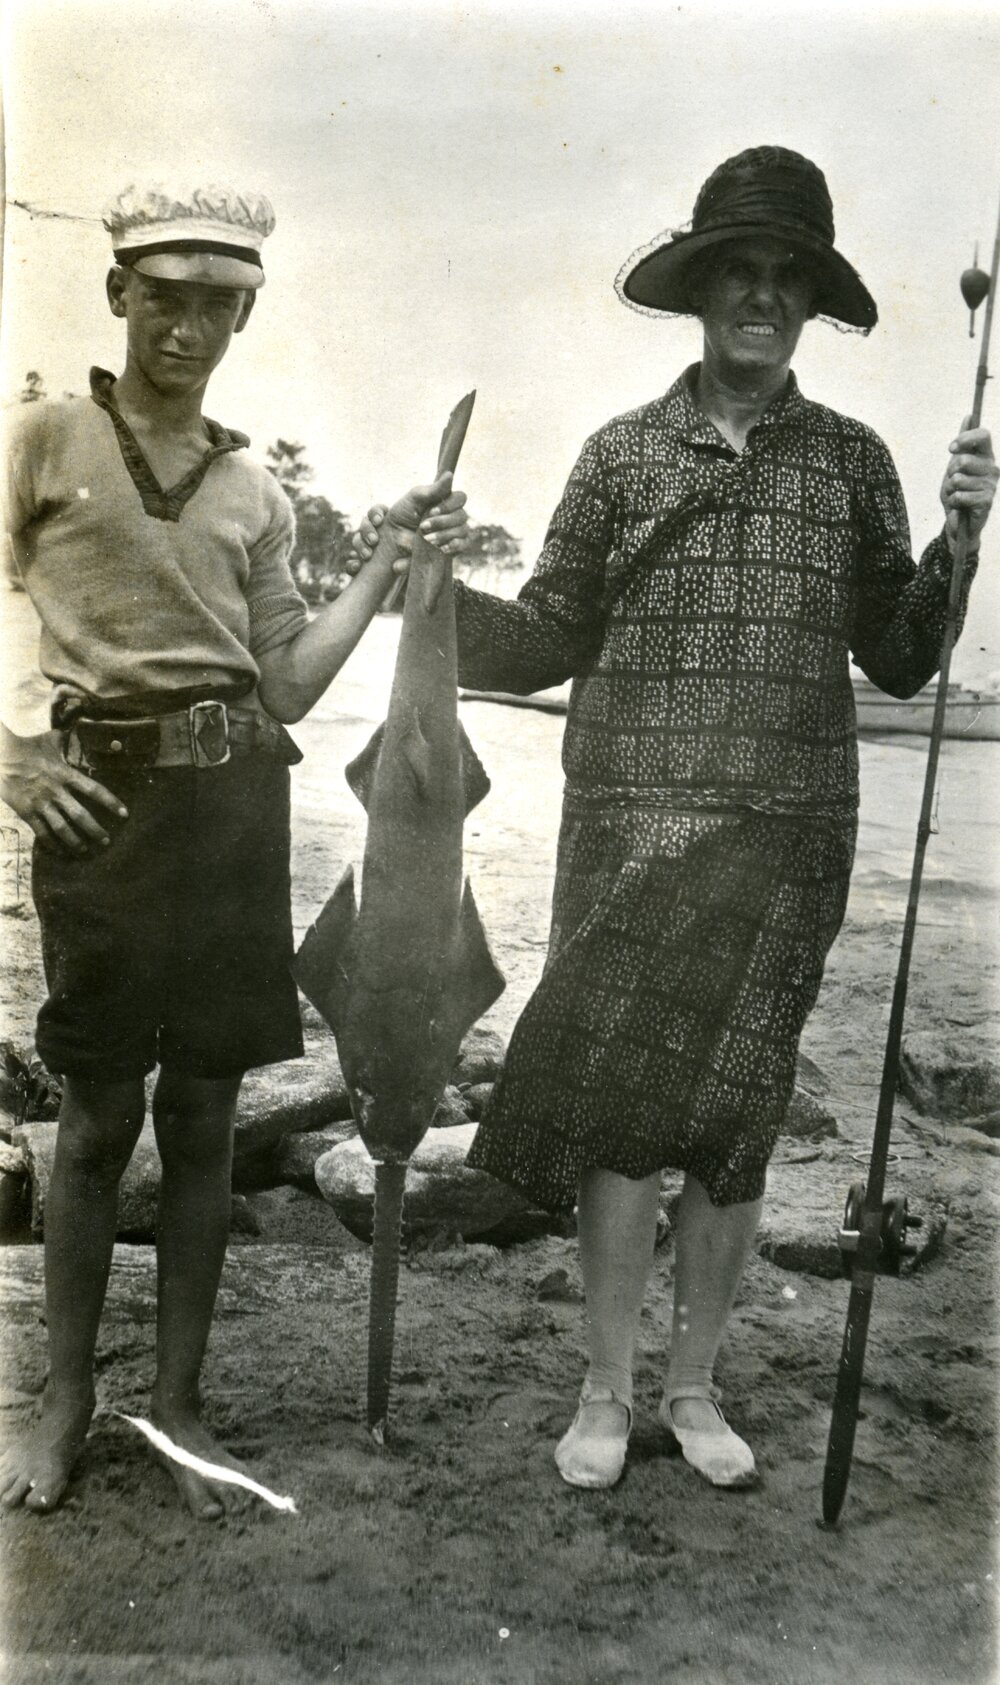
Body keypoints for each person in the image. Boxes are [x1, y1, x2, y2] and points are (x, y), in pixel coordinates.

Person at [357, 147, 997, 1490]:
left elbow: (899, 657)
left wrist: (962, 539)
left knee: (735, 1117)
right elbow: (546, 633)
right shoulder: (621, 455)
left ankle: (695, 1387)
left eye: (786, 278)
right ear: (701, 293)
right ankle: (604, 1391)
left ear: (810, 304)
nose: (761, 298)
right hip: (631, 825)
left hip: (787, 834)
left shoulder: (854, 462)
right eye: (738, 274)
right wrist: (431, 594)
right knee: (624, 1113)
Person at [0, 183, 466, 1518]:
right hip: (99, 810)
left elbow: (289, 684)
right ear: (119, 294)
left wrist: (384, 560)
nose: (186, 328)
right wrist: (15, 755)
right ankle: (63, 1399)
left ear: (244, 318)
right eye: (164, 298)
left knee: (203, 1120)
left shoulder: (256, 489)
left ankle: (181, 1406)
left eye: (217, 306)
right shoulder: (41, 438)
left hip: (235, 813)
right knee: (96, 1120)